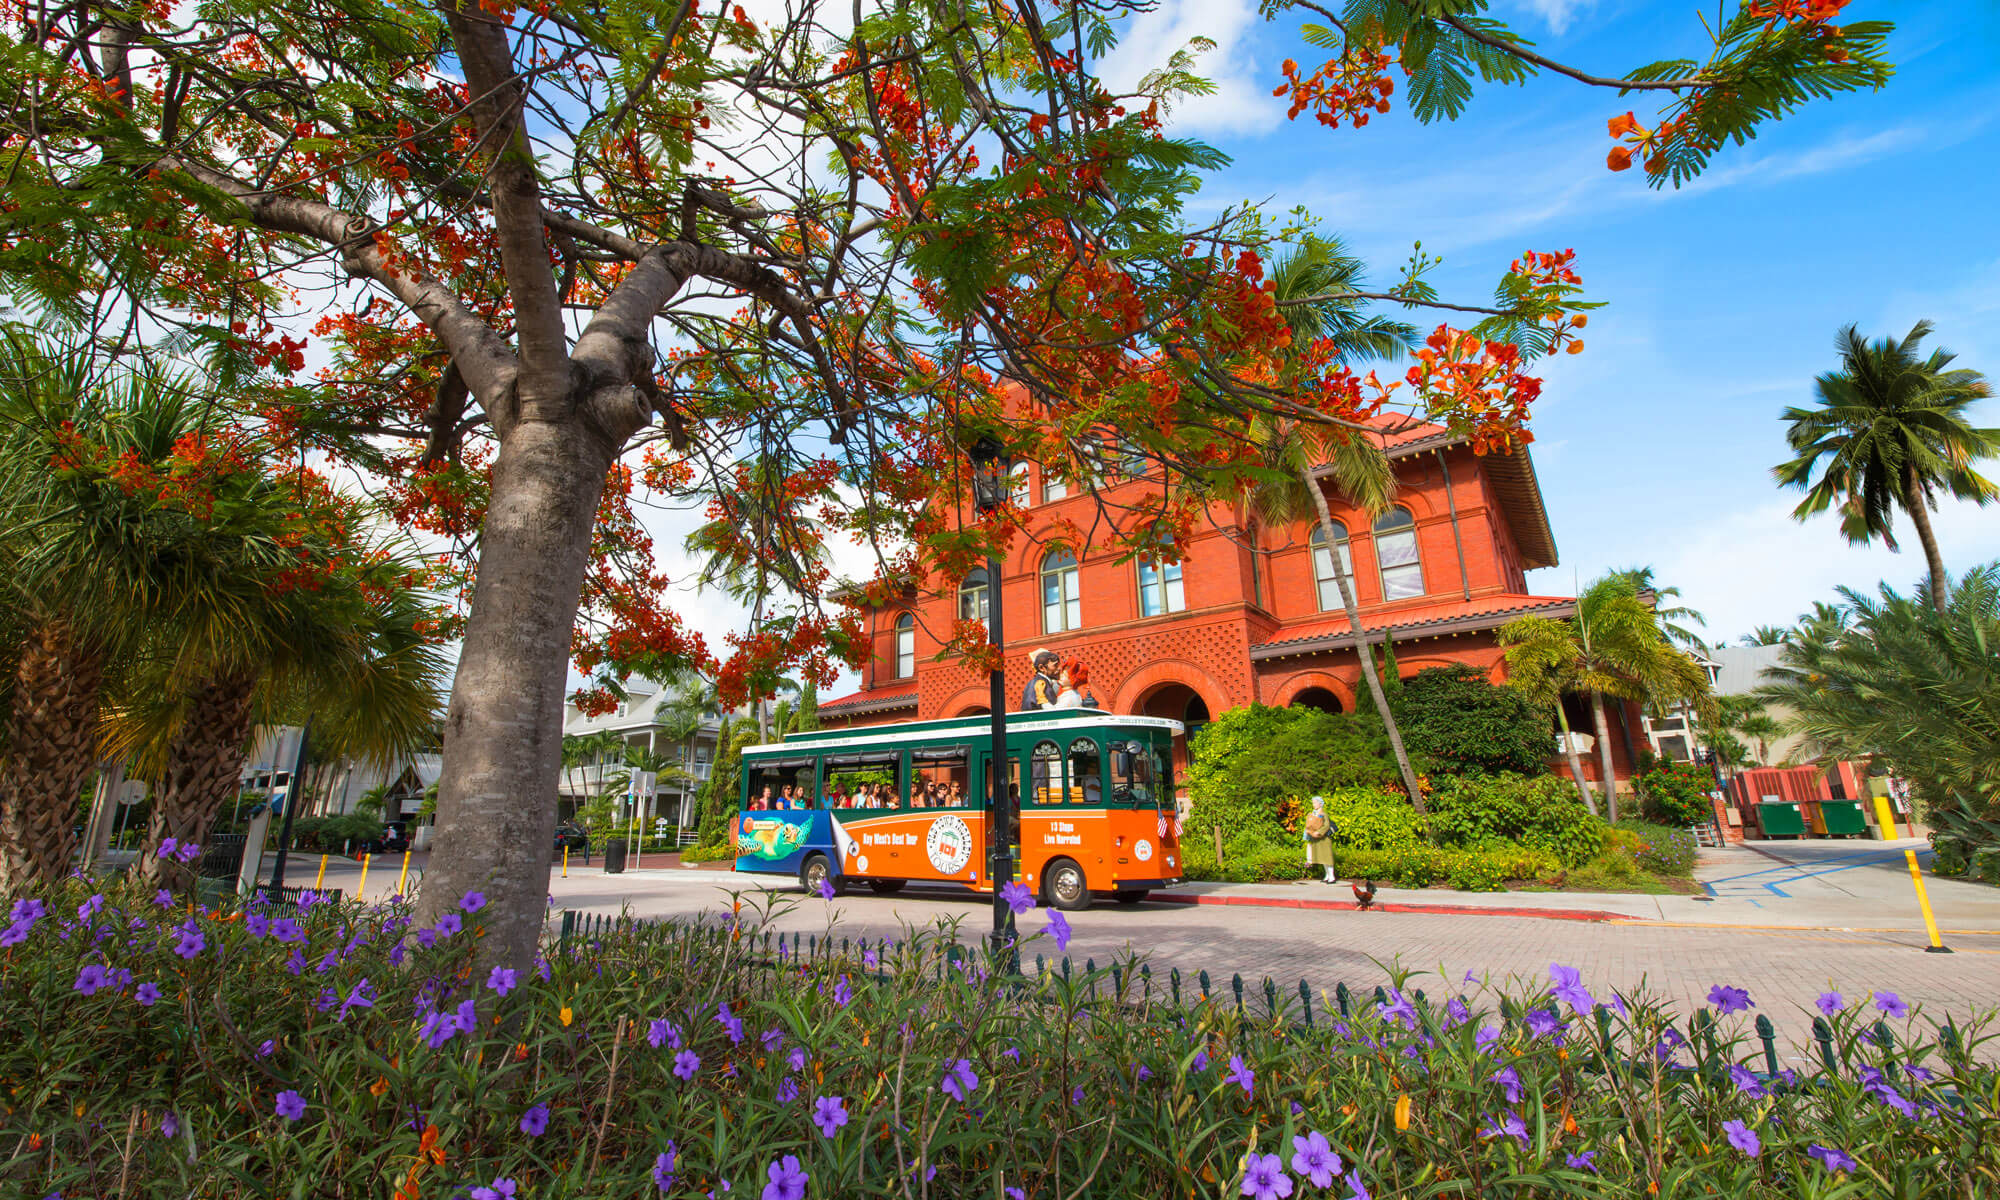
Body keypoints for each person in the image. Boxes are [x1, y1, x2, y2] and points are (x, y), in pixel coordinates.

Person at [1303, 795, 1336, 884]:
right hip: (1316, 839)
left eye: (1315, 803)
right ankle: (1327, 875)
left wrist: (1319, 832)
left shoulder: (1323, 814)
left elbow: (1326, 825)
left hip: (1324, 839)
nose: (1313, 805)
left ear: (1320, 804)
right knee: (1322, 858)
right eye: (1313, 803)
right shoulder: (1313, 814)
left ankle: (1332, 877)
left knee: (1327, 858)